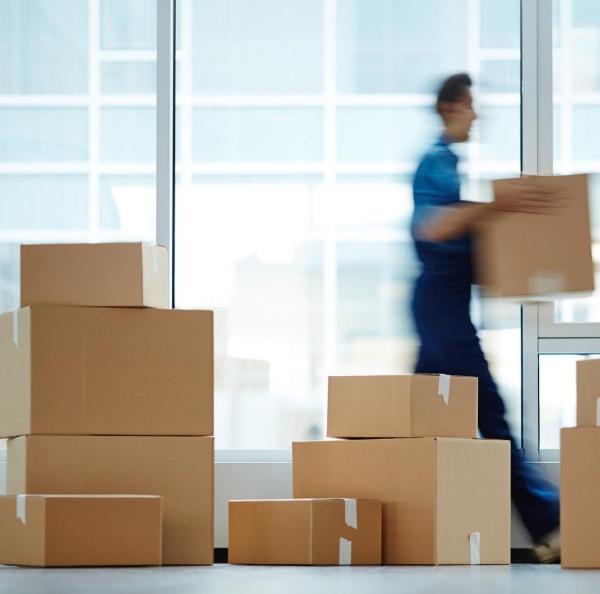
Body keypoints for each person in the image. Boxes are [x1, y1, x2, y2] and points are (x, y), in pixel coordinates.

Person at [410, 72, 561, 563]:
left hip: (445, 306)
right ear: (452, 107)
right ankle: (549, 525)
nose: (478, 114)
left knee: (419, 420)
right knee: (489, 412)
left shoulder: (450, 165)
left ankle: (411, 523)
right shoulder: (437, 161)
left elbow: (458, 233)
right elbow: (435, 227)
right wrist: (501, 205)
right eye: (472, 105)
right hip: (440, 307)